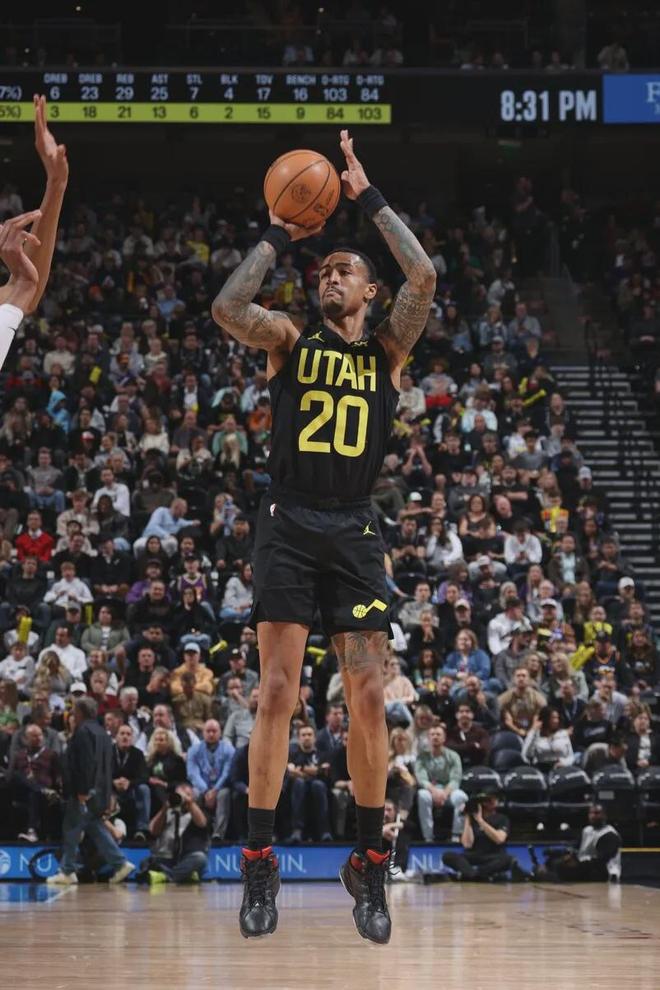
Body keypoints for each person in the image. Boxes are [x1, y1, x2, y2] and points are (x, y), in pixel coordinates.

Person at [212, 129, 436, 941]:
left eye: (344, 271)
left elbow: (423, 274)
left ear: (370, 291)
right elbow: (228, 308)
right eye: (324, 271)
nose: (329, 277)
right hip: (289, 523)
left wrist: (365, 194)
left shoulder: (387, 349)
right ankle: (259, 859)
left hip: (355, 530)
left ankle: (370, 862)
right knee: (277, 692)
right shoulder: (287, 339)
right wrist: (279, 233)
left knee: (370, 695)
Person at [47, 697, 134, 885]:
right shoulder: (103, 733)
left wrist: (83, 790)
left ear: (80, 712)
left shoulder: (83, 731)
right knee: (94, 826)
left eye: (74, 710)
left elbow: (86, 763)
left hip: (85, 790)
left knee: (71, 827)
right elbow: (107, 766)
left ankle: (67, 871)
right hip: (101, 790)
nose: (72, 713)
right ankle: (120, 864)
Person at [442, 793, 527, 881]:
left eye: (492, 800)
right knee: (448, 856)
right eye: (487, 801)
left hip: (493, 856)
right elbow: (467, 844)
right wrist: (468, 817)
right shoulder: (471, 820)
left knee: (509, 859)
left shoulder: (502, 818)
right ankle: (476, 875)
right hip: (473, 855)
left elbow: (499, 839)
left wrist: (481, 821)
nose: (490, 803)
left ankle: (471, 875)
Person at [139, 782, 210, 885]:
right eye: (179, 795)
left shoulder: (199, 811)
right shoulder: (168, 812)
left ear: (193, 797)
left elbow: (202, 822)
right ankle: (185, 875)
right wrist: (164, 808)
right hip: (166, 858)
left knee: (200, 859)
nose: (182, 798)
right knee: (145, 862)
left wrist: (190, 803)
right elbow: (153, 830)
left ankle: (165, 876)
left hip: (186, 857)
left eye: (188, 794)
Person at [531, 804, 622, 881]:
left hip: (602, 871)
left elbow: (601, 860)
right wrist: (569, 856)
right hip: (584, 865)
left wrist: (577, 864)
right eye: (591, 813)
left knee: (561, 867)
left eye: (597, 813)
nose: (593, 816)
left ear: (605, 816)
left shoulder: (609, 835)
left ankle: (545, 875)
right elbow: (577, 848)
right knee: (554, 860)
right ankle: (544, 873)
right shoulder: (587, 830)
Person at [415, 724, 468, 842]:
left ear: (444, 738)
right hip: (430, 790)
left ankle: (456, 835)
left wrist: (444, 794)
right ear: (428, 738)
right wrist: (434, 792)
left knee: (461, 797)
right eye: (432, 734)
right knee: (422, 795)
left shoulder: (453, 756)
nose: (435, 737)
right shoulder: (421, 757)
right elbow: (422, 779)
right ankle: (428, 837)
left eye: (438, 734)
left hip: (449, 790)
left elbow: (455, 779)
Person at [186, 719, 235, 840]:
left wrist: (215, 790)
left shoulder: (229, 749)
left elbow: (227, 773)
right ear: (203, 733)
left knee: (224, 794)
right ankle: (198, 832)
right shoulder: (193, 750)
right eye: (208, 731)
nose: (211, 734)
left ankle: (218, 833)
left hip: (221, 787)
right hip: (201, 787)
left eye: (214, 731)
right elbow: (192, 773)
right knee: (192, 794)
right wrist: (205, 790)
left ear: (220, 732)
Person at [285, 724, 333, 843]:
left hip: (319, 788)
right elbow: (291, 772)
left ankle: (324, 831)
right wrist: (314, 771)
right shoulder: (292, 754)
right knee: (299, 783)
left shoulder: (323, 754)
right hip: (296, 789)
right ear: (298, 738)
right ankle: (297, 830)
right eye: (303, 735)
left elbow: (324, 772)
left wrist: (301, 769)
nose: (307, 737)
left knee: (318, 785)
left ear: (315, 737)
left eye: (309, 734)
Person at [112, 723, 151, 841]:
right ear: (116, 737)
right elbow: (100, 774)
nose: (125, 737)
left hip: (131, 790)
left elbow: (144, 777)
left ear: (132, 738)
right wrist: (113, 782)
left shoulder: (138, 754)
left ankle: (141, 830)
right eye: (122, 734)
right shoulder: (107, 752)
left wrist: (129, 783)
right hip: (111, 789)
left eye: (128, 734)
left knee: (144, 789)